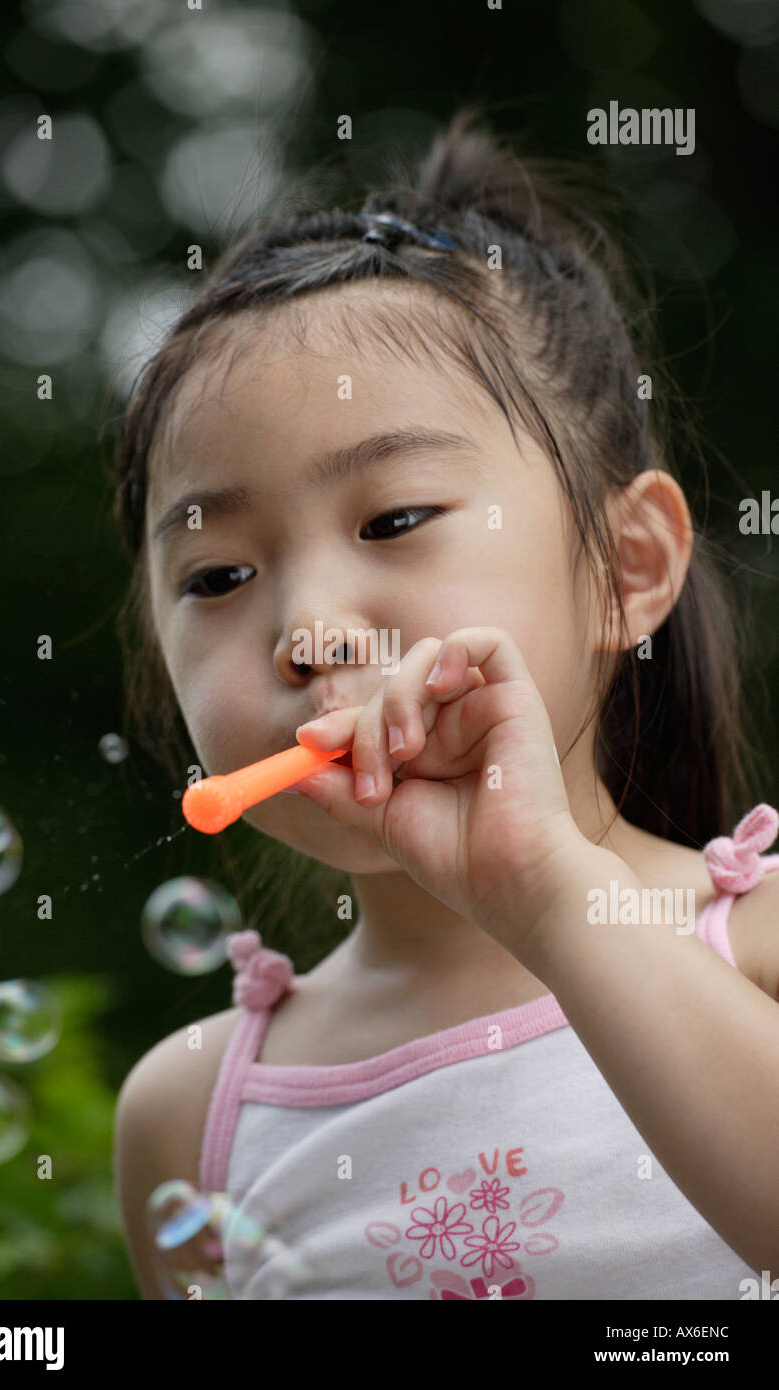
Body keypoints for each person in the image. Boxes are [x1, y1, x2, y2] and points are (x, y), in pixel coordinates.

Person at [111, 105, 779, 1299]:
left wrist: (551, 897)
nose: (310, 632)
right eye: (217, 577)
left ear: (625, 569)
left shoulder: (758, 948)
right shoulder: (192, 1111)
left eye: (394, 520)